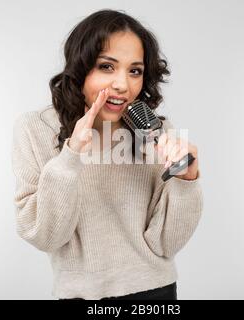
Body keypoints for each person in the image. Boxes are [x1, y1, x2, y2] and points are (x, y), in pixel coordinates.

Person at [11, 9, 203, 300]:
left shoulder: (158, 133)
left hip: (154, 292)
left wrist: (186, 182)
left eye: (134, 71)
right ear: (80, 67)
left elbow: (166, 244)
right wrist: (71, 155)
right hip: (81, 295)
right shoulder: (34, 129)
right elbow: (46, 236)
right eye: (106, 67)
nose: (122, 85)